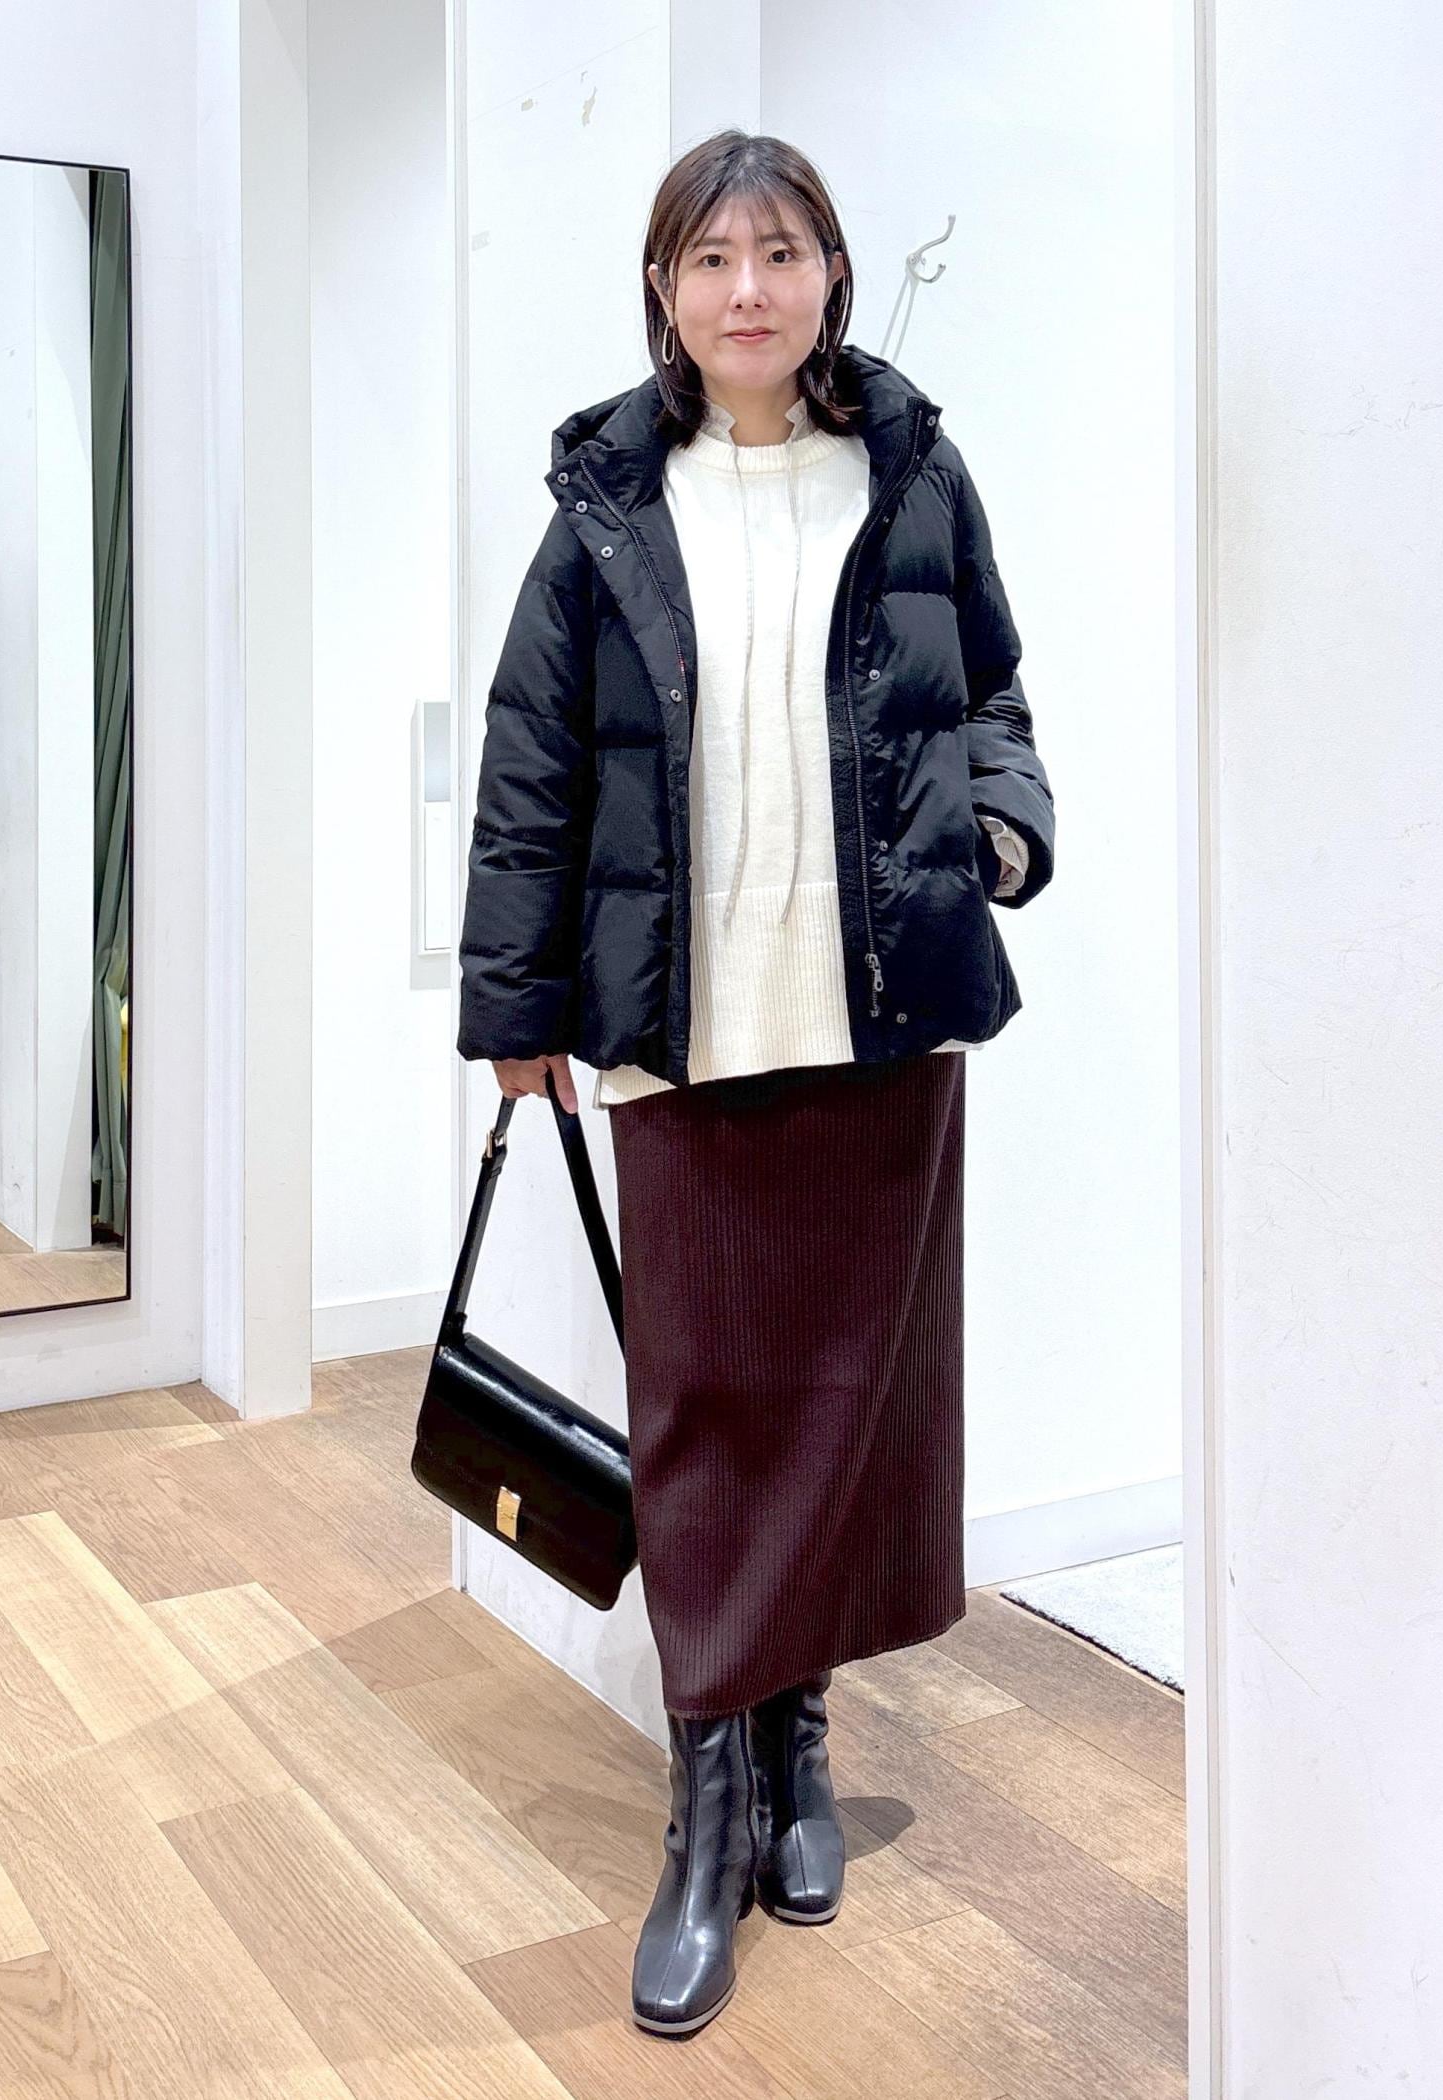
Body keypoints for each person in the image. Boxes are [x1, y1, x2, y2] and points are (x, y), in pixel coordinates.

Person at [456, 129, 1055, 2038]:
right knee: (708, 1415)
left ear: (830, 277)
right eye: (711, 257)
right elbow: (532, 759)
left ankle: (801, 1743)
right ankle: (707, 1803)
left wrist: (1004, 837)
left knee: (854, 1407)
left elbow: (993, 696)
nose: (746, 288)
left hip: (883, 1023)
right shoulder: (608, 503)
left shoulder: (916, 472)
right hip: (684, 1031)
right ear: (664, 288)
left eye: (780, 253)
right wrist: (515, 1004)